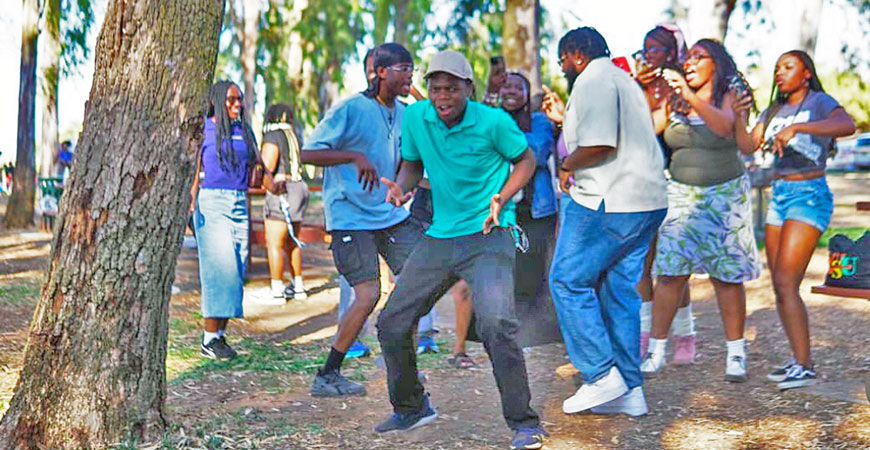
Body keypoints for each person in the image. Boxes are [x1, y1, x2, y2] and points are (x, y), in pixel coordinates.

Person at [375, 49, 547, 450]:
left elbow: (527, 160)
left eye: (451, 88)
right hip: (441, 235)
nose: (442, 96)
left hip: (490, 232)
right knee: (392, 322)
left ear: (468, 88)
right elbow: (413, 164)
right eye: (435, 88)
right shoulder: (417, 117)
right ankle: (412, 406)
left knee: (496, 325)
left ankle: (524, 423)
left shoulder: (494, 122)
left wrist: (502, 198)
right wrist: (403, 187)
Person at [549, 27, 668, 417]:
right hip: (646, 202)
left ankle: (601, 374)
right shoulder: (624, 82)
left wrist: (567, 164)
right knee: (620, 294)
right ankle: (631, 392)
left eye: (562, 58)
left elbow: (601, 144)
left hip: (609, 198)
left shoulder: (593, 78)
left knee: (567, 280)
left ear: (576, 53)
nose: (562, 67)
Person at [301, 43, 424, 397]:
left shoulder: (405, 113)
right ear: (380, 71)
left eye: (412, 69)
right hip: (350, 216)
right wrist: (354, 156)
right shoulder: (351, 108)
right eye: (403, 68)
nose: (409, 76)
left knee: (419, 281)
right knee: (368, 293)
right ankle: (328, 374)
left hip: (389, 212)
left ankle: (404, 370)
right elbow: (310, 152)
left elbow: (409, 160)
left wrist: (401, 186)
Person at [733, 50, 856, 390]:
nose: (780, 73)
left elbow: (847, 125)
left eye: (788, 67)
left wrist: (800, 126)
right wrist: (738, 117)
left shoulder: (818, 101)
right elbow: (747, 146)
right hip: (780, 196)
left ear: (805, 74)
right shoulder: (774, 110)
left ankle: (805, 364)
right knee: (780, 285)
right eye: (777, 68)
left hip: (809, 194)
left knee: (788, 282)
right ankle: (800, 360)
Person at [641, 39, 760, 383]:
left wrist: (691, 97)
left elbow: (724, 128)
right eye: (687, 58)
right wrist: (650, 90)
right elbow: (650, 128)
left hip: (724, 195)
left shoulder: (731, 93)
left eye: (698, 57)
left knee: (726, 277)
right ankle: (656, 351)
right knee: (670, 274)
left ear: (716, 64)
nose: (689, 63)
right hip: (680, 194)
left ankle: (735, 354)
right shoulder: (674, 96)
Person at [191, 81, 280, 360]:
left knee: (237, 267)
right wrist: (190, 202)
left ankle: (219, 337)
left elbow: (260, 169)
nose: (237, 104)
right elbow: (194, 171)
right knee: (219, 269)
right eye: (230, 99)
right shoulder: (203, 130)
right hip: (212, 202)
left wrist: (275, 184)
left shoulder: (244, 131)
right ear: (217, 100)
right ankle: (208, 338)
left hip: (239, 201)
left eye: (239, 99)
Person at [634, 24, 696, 362]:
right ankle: (643, 333)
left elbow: (654, 127)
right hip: (642, 180)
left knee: (672, 265)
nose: (648, 54)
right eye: (646, 48)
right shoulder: (636, 84)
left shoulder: (677, 84)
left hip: (676, 180)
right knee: (643, 262)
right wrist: (635, 90)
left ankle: (685, 332)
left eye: (656, 48)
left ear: (671, 52)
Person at [487, 71, 559, 345]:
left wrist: (500, 142)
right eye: (507, 86)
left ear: (527, 95)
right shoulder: (490, 118)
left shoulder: (539, 121)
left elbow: (537, 153)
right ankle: (506, 332)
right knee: (503, 272)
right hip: (501, 210)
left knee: (532, 272)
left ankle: (531, 335)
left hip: (535, 211)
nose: (512, 91)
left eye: (519, 87)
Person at [259, 103, 309, 304]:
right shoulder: (295, 136)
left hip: (282, 188)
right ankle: (298, 287)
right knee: (293, 241)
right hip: (299, 186)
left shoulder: (273, 136)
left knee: (274, 242)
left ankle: (277, 290)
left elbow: (267, 164)